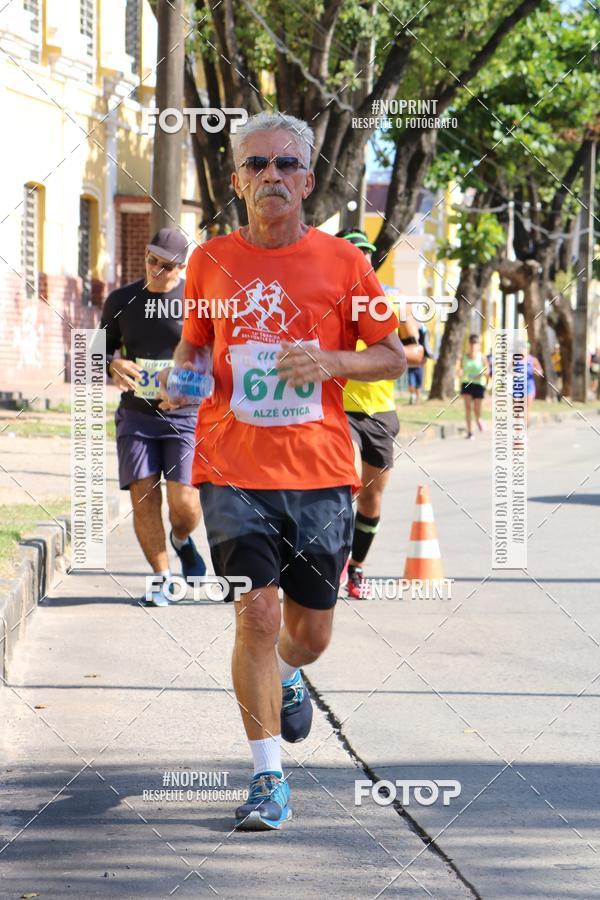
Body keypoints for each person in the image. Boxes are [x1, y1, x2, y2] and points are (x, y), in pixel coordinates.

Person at [158, 112, 406, 830]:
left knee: (310, 634)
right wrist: (184, 378)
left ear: (307, 178)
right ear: (237, 179)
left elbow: (394, 353)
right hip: (231, 466)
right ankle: (269, 780)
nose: (272, 175)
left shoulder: (343, 264)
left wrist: (333, 361)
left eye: (286, 165)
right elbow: (196, 348)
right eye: (257, 164)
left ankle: (292, 676)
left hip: (323, 471)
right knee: (256, 614)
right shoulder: (208, 261)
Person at [101, 229, 206, 607]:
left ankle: (181, 539)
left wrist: (186, 384)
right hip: (136, 417)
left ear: (182, 267)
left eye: (166, 265)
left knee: (185, 505)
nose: (156, 270)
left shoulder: (198, 301)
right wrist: (113, 364)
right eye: (151, 260)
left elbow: (219, 358)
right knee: (143, 498)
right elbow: (96, 352)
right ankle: (162, 578)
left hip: (186, 415)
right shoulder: (121, 299)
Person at [337, 228, 424, 600]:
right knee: (342, 484)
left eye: (367, 254)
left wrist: (381, 356)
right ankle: (329, 560)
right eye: (353, 253)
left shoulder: (392, 300)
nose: (362, 259)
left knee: (371, 499)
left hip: (380, 413)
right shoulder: (327, 300)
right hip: (340, 410)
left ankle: (356, 568)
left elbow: (416, 352)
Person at [459, 334, 488, 438]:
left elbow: (487, 370)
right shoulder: (464, 357)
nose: (473, 346)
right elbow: (460, 369)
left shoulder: (482, 357)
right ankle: (469, 432)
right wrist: (460, 372)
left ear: (478, 345)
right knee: (467, 408)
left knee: (476, 409)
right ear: (469, 344)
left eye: (475, 343)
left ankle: (478, 419)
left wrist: (480, 374)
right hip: (466, 384)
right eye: (471, 343)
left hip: (478, 385)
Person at [526, 341, 543, 423]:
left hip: (529, 386)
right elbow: (508, 370)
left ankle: (525, 427)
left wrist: (536, 371)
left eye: (526, 348)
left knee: (527, 408)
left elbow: (540, 372)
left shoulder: (533, 360)